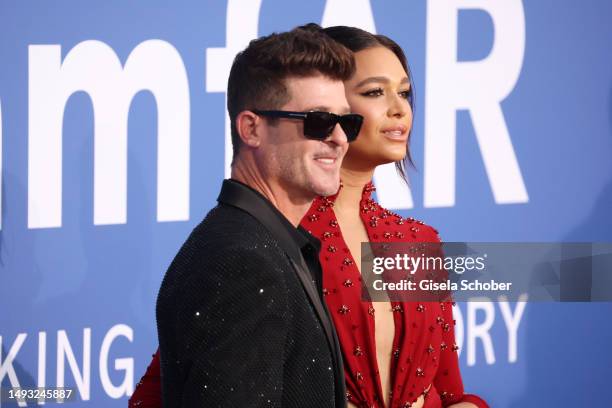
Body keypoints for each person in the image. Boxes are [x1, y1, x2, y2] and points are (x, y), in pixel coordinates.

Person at [132, 24, 489, 408]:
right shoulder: (271, 242)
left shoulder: (416, 242)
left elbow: (450, 392)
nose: (399, 108)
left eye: (404, 92)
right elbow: (168, 390)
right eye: (373, 92)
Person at [154, 25, 363, 407]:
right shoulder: (240, 262)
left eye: (347, 122)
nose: (339, 139)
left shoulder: (272, 245)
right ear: (251, 128)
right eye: (317, 121)